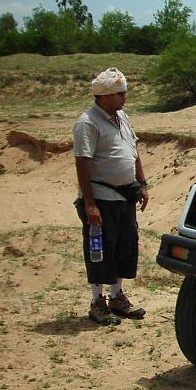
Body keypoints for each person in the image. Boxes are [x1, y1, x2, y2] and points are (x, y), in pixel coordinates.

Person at [73, 68, 149, 325]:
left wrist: (142, 184)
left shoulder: (122, 117)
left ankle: (117, 297)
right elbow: (82, 163)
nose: (124, 97)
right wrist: (90, 204)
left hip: (125, 196)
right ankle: (98, 302)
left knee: (124, 247)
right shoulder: (87, 123)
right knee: (99, 249)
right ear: (104, 96)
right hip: (102, 196)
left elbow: (133, 150)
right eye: (119, 93)